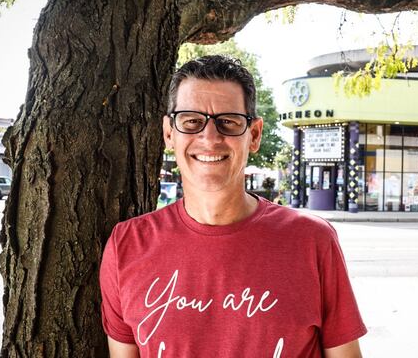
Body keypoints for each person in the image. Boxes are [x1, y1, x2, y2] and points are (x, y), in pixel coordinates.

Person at [100, 56, 367, 357]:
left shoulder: (313, 241)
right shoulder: (126, 246)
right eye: (191, 121)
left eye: (228, 122)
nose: (210, 138)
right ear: (168, 133)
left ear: (253, 135)